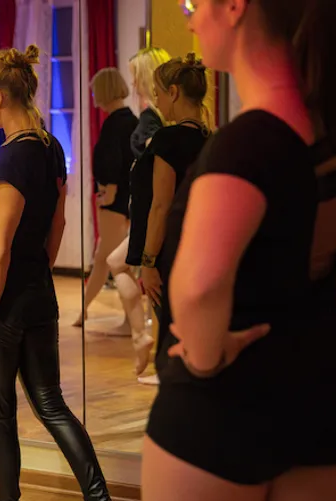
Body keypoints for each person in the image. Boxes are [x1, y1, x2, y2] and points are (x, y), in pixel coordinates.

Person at [142, 1, 336, 501]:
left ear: (233, 6)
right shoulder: (332, 134)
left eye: (192, 3)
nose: (188, 17)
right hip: (331, 388)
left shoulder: (247, 143)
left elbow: (198, 286)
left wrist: (204, 361)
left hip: (232, 403)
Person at [0, 44, 114, 501]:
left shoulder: (10, 163)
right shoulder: (50, 148)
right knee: (51, 405)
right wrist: (36, 277)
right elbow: (58, 226)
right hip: (36, 297)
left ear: (0, 96)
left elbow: (0, 249)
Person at [124, 54, 210, 376]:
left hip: (169, 254)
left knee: (176, 345)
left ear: (174, 92)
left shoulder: (168, 139)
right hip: (198, 251)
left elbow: (161, 205)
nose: (157, 100)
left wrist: (148, 263)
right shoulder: (208, 139)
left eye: (159, 93)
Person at [104, 47, 171, 366]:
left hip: (153, 212)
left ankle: (145, 339)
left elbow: (156, 161)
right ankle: (142, 336)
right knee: (117, 262)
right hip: (150, 209)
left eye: (134, 76)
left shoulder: (150, 120)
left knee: (121, 264)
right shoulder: (158, 117)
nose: (132, 84)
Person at [74, 67, 143, 337]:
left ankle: (132, 323)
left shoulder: (115, 123)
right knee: (105, 258)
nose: (92, 96)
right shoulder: (130, 120)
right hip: (124, 199)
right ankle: (84, 310)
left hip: (114, 200)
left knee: (111, 260)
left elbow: (113, 163)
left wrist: (109, 192)